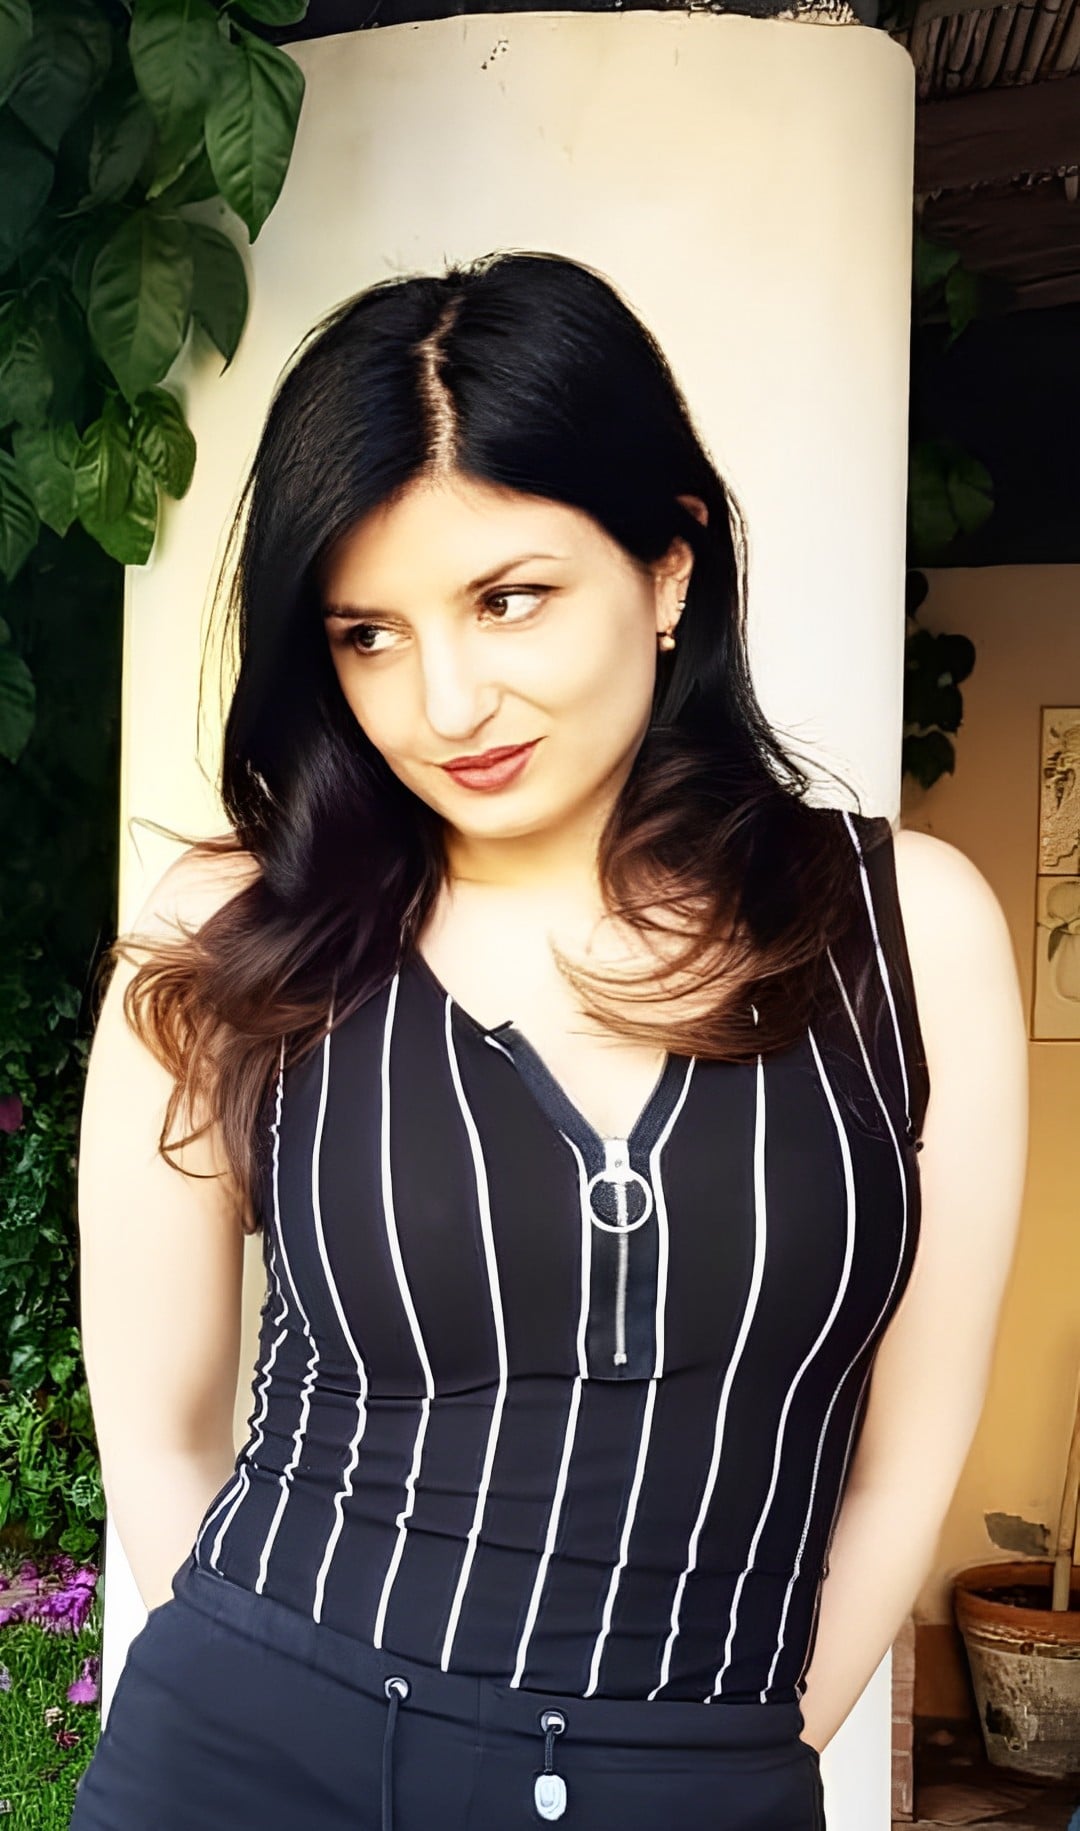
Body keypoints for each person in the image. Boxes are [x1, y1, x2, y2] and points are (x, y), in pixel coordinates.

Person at [70, 249, 1028, 1831]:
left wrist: (731, 1762)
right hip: (254, 1755)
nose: (446, 702)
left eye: (508, 600)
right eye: (368, 633)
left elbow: (908, 1453)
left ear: (670, 565)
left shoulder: (908, 931)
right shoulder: (232, 931)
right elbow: (158, 1441)